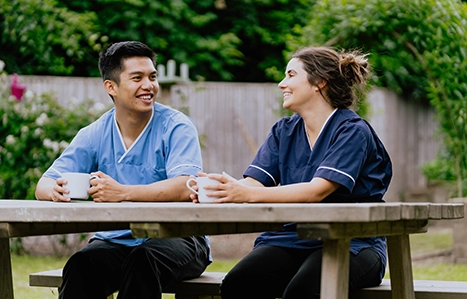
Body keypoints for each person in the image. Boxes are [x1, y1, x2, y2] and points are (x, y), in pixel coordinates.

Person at [191, 46, 392, 298]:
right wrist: (220, 189)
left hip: (352, 243)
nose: (281, 83)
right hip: (290, 239)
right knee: (238, 284)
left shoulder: (352, 131)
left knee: (303, 291)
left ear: (319, 82)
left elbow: (316, 191)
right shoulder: (284, 130)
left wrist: (241, 193)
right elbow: (254, 184)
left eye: (291, 75)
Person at [35, 41, 211, 299]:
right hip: (116, 240)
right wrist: (56, 190)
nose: (149, 85)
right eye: (137, 78)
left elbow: (186, 186)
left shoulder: (176, 126)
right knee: (81, 265)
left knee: (143, 260)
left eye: (152, 76)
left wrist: (123, 192)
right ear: (111, 87)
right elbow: (44, 184)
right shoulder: (95, 133)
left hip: (181, 237)